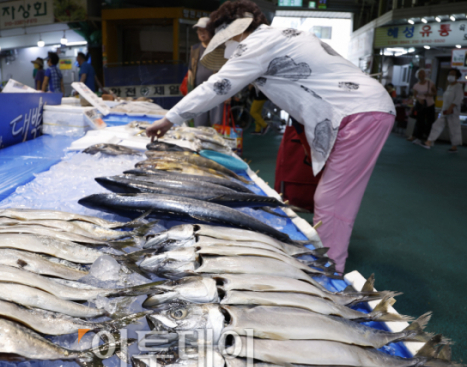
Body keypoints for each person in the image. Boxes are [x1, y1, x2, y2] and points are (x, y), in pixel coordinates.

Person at [145, 0, 395, 273]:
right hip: (358, 112)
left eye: (225, 40)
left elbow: (217, 86)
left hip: (357, 113)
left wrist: (170, 119)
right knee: (330, 194)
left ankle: (328, 269)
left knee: (333, 197)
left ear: (237, 31)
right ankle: (325, 256)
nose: (227, 50)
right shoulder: (279, 37)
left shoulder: (257, 43)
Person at [188, 17, 223, 128]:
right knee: (199, 125)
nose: (201, 33)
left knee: (217, 125)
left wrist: (229, 94)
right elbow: (191, 70)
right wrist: (190, 91)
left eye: (205, 30)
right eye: (199, 30)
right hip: (199, 92)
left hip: (216, 92)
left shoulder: (220, 48)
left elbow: (226, 70)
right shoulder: (195, 49)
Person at [419, 68, 464, 153]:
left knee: (454, 129)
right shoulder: (449, 86)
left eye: (453, 74)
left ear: (457, 76)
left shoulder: (458, 87)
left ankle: (454, 147)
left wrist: (451, 107)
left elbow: (458, 99)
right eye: (450, 74)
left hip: (453, 111)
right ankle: (429, 142)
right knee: (436, 126)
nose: (451, 76)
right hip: (444, 111)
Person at [407, 68, 436, 142]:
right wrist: (419, 99)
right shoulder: (416, 85)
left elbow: (434, 92)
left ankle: (428, 137)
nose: (422, 75)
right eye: (420, 73)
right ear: (418, 75)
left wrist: (430, 94)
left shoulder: (430, 83)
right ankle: (416, 136)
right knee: (419, 121)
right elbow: (415, 95)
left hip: (430, 104)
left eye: (423, 73)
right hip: (421, 104)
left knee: (430, 121)